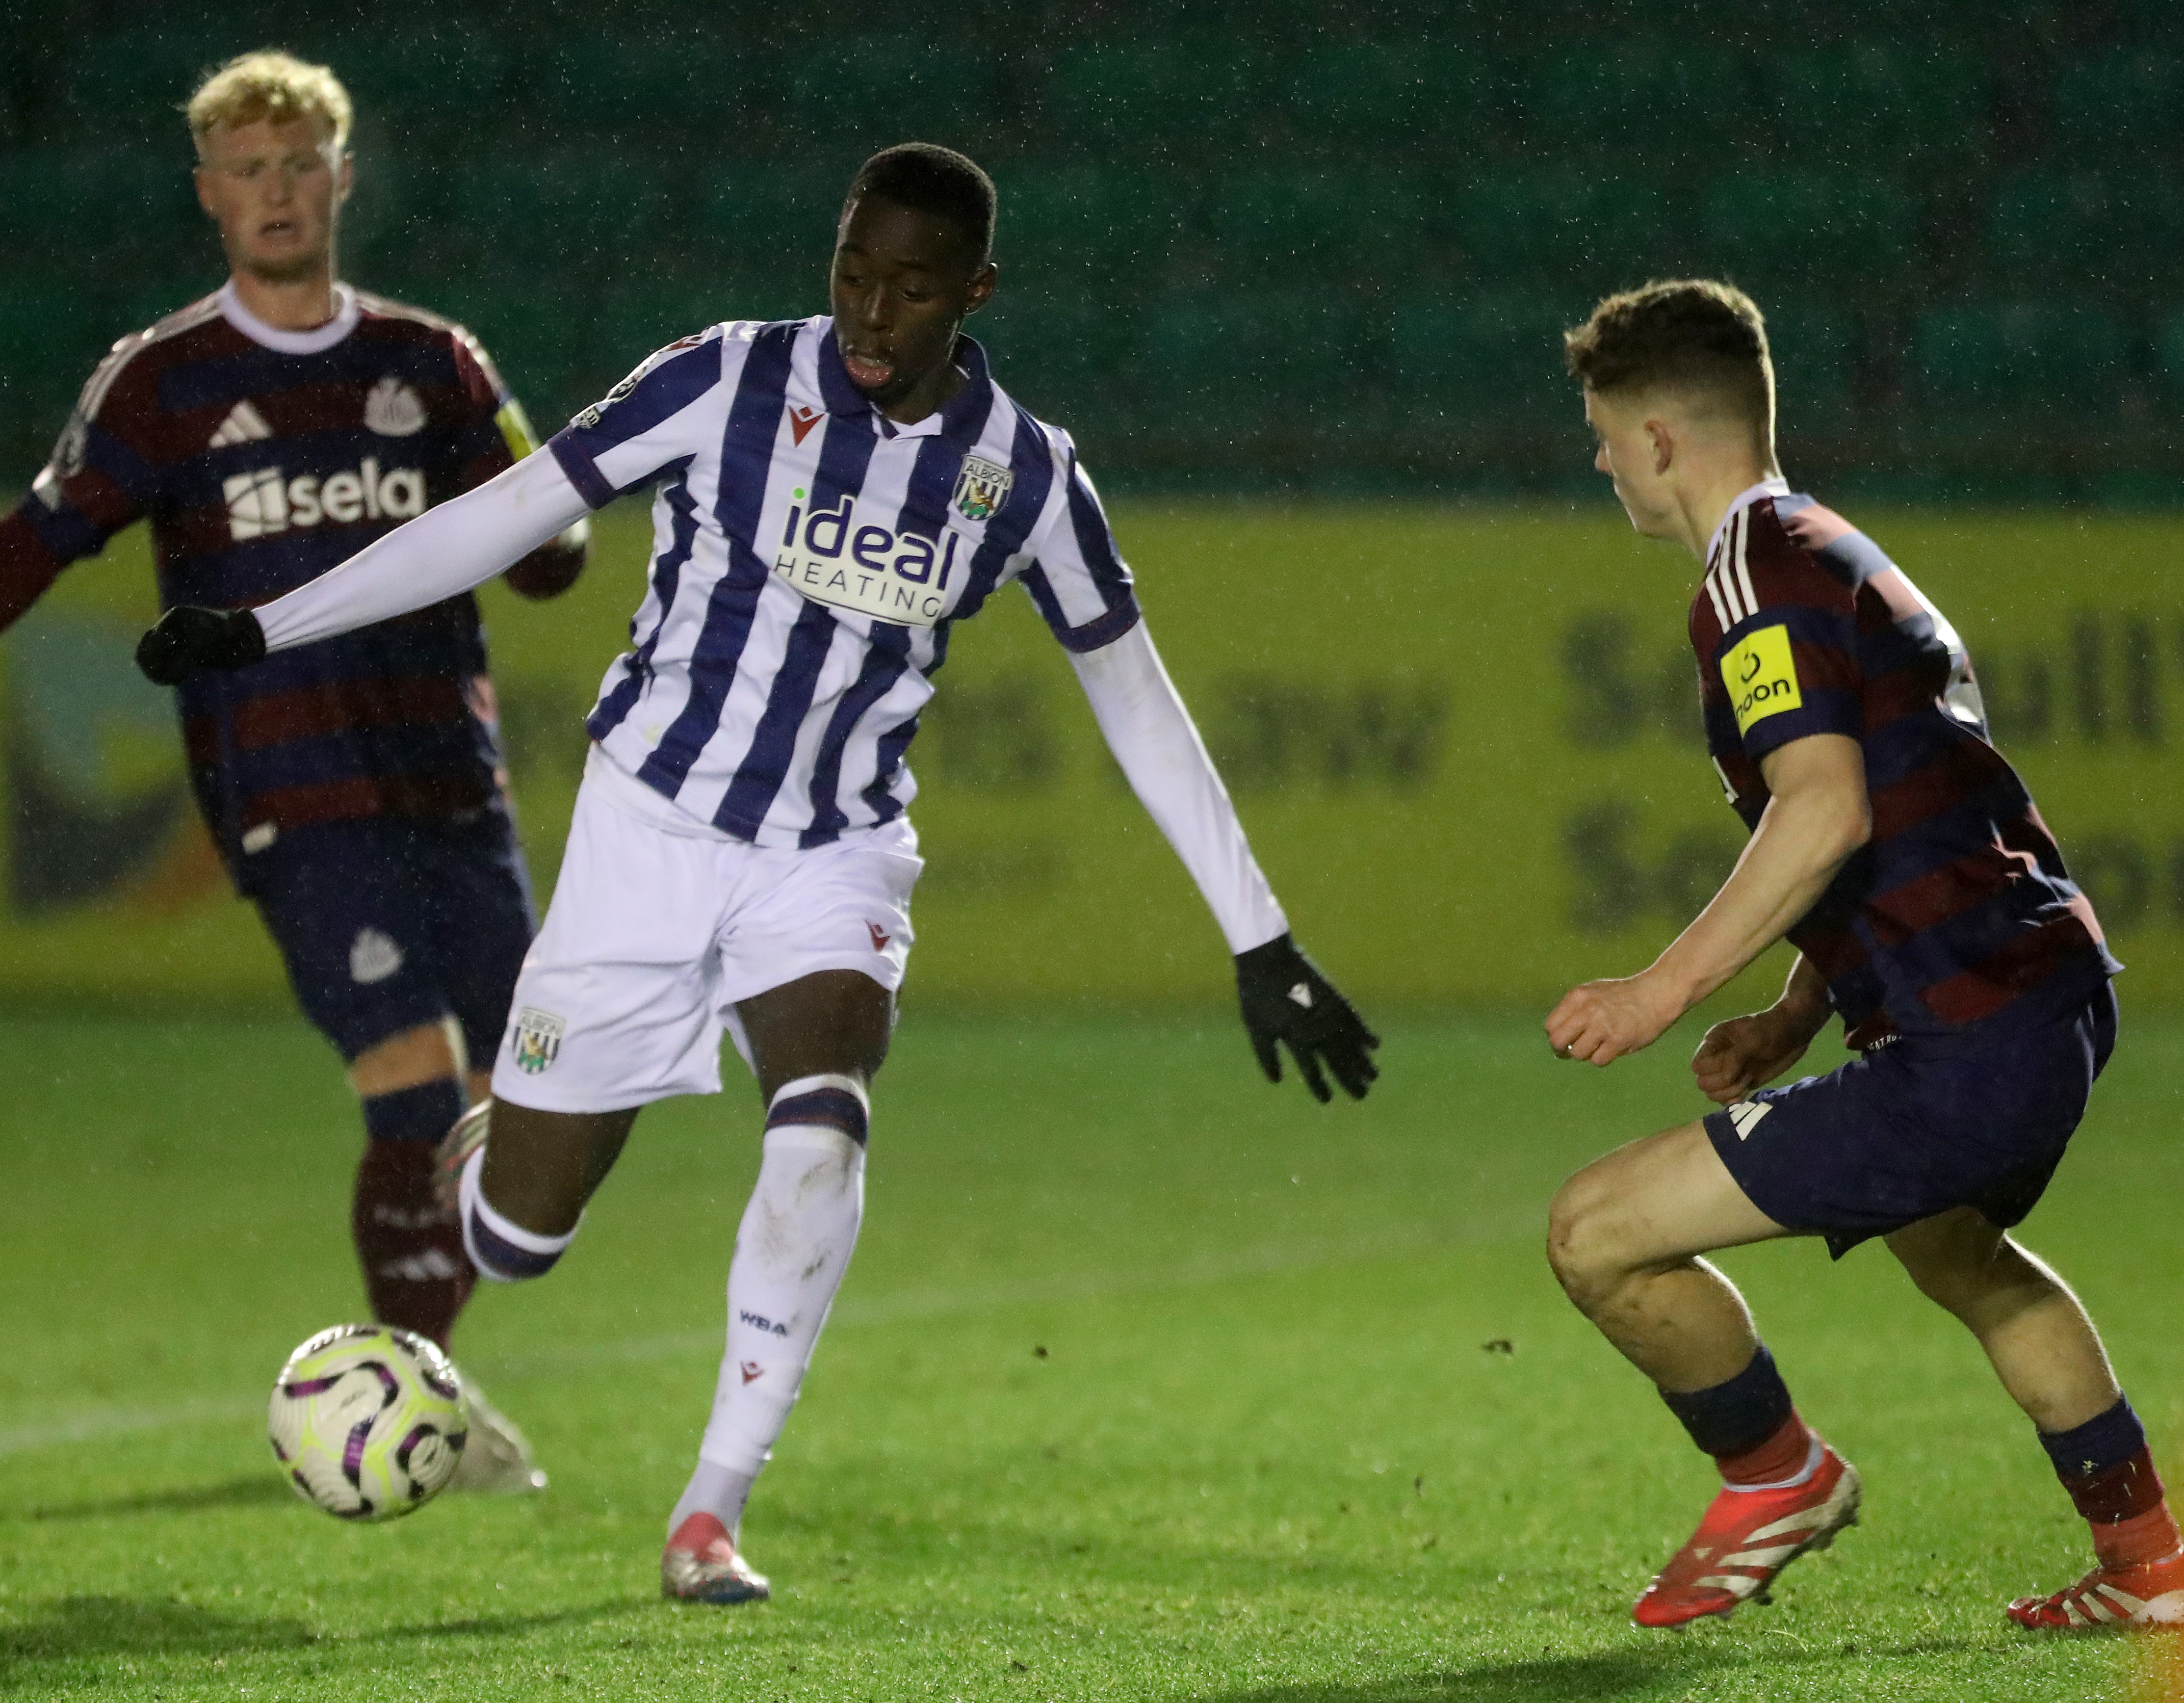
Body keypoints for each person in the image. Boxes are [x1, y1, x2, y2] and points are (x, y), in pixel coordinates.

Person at [135, 142, 1381, 1603]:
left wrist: (1258, 934)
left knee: (819, 1135)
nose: (868, 313)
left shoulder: (1027, 477)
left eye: (909, 290)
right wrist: (269, 624)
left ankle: (710, 1511)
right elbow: (511, 513)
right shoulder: (721, 379)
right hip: (646, 835)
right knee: (520, 1244)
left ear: (973, 294)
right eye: (853, 271)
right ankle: (490, 1153)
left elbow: (1138, 702)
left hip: (832, 851)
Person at [0, 51, 585, 1489]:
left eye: (298, 164)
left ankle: (421, 1376)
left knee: (520, 1108)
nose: (274, 193)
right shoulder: (163, 381)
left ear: (341, 177)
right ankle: (416, 1403)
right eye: (246, 172)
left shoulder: (434, 361)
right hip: (289, 787)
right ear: (209, 197)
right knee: (409, 1078)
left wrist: (553, 527)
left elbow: (548, 543)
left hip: (449, 778)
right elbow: (31, 549)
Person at [1543, 278, 2175, 1631]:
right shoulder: (1826, 543)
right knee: (1957, 1255)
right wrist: (1791, 1013)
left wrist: (1658, 990)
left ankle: (1778, 1476)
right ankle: (2153, 1571)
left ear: (1657, 434)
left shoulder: (1747, 577)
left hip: (1966, 1039)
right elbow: (1905, 801)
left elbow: (1821, 808)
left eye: (1602, 436)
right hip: (2037, 997)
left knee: (1595, 1237)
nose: (1599, 465)